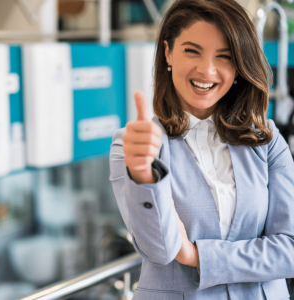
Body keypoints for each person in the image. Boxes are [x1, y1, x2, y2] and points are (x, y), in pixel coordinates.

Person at [109, 0, 294, 299]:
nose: (207, 70)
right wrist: (145, 177)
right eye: (192, 51)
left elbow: (290, 251)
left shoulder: (268, 142)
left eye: (225, 57)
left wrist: (197, 257)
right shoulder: (135, 146)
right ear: (168, 53)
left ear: (238, 67)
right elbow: (161, 249)